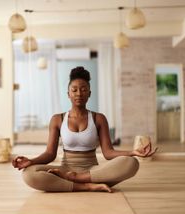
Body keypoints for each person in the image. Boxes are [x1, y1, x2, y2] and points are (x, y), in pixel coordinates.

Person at [12, 66, 157, 193]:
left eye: (83, 89)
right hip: (64, 170)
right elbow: (50, 154)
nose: (79, 94)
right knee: (29, 174)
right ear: (68, 94)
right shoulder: (57, 119)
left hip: (92, 171)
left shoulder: (98, 118)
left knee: (131, 163)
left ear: (89, 93)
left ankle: (76, 180)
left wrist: (132, 152)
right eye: (74, 90)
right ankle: (87, 186)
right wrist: (31, 161)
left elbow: (108, 153)